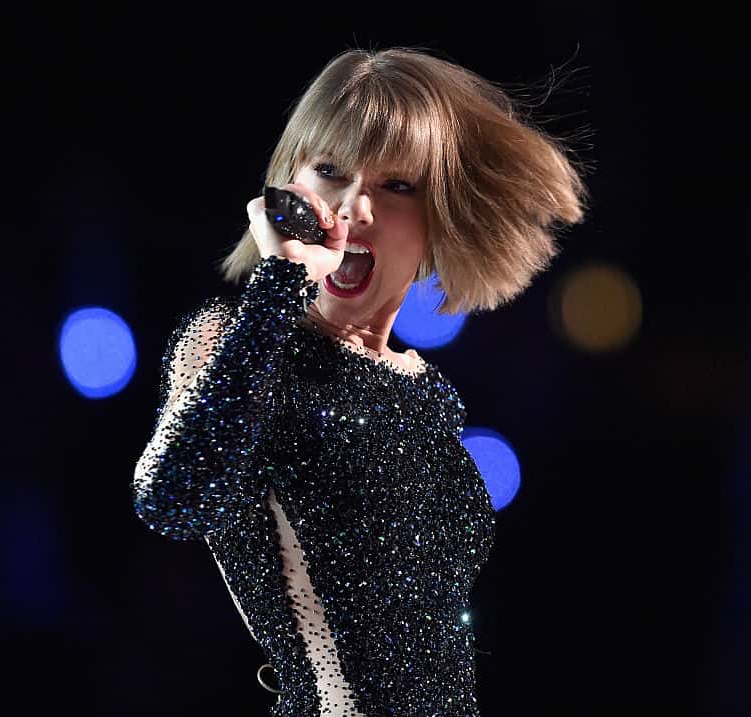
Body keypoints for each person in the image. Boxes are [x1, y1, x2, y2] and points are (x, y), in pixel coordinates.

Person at [132, 46, 586, 717]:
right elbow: (172, 498)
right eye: (331, 171)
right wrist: (279, 288)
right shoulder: (238, 344)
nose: (354, 208)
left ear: (440, 217)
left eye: (397, 186)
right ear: (286, 189)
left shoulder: (427, 389)